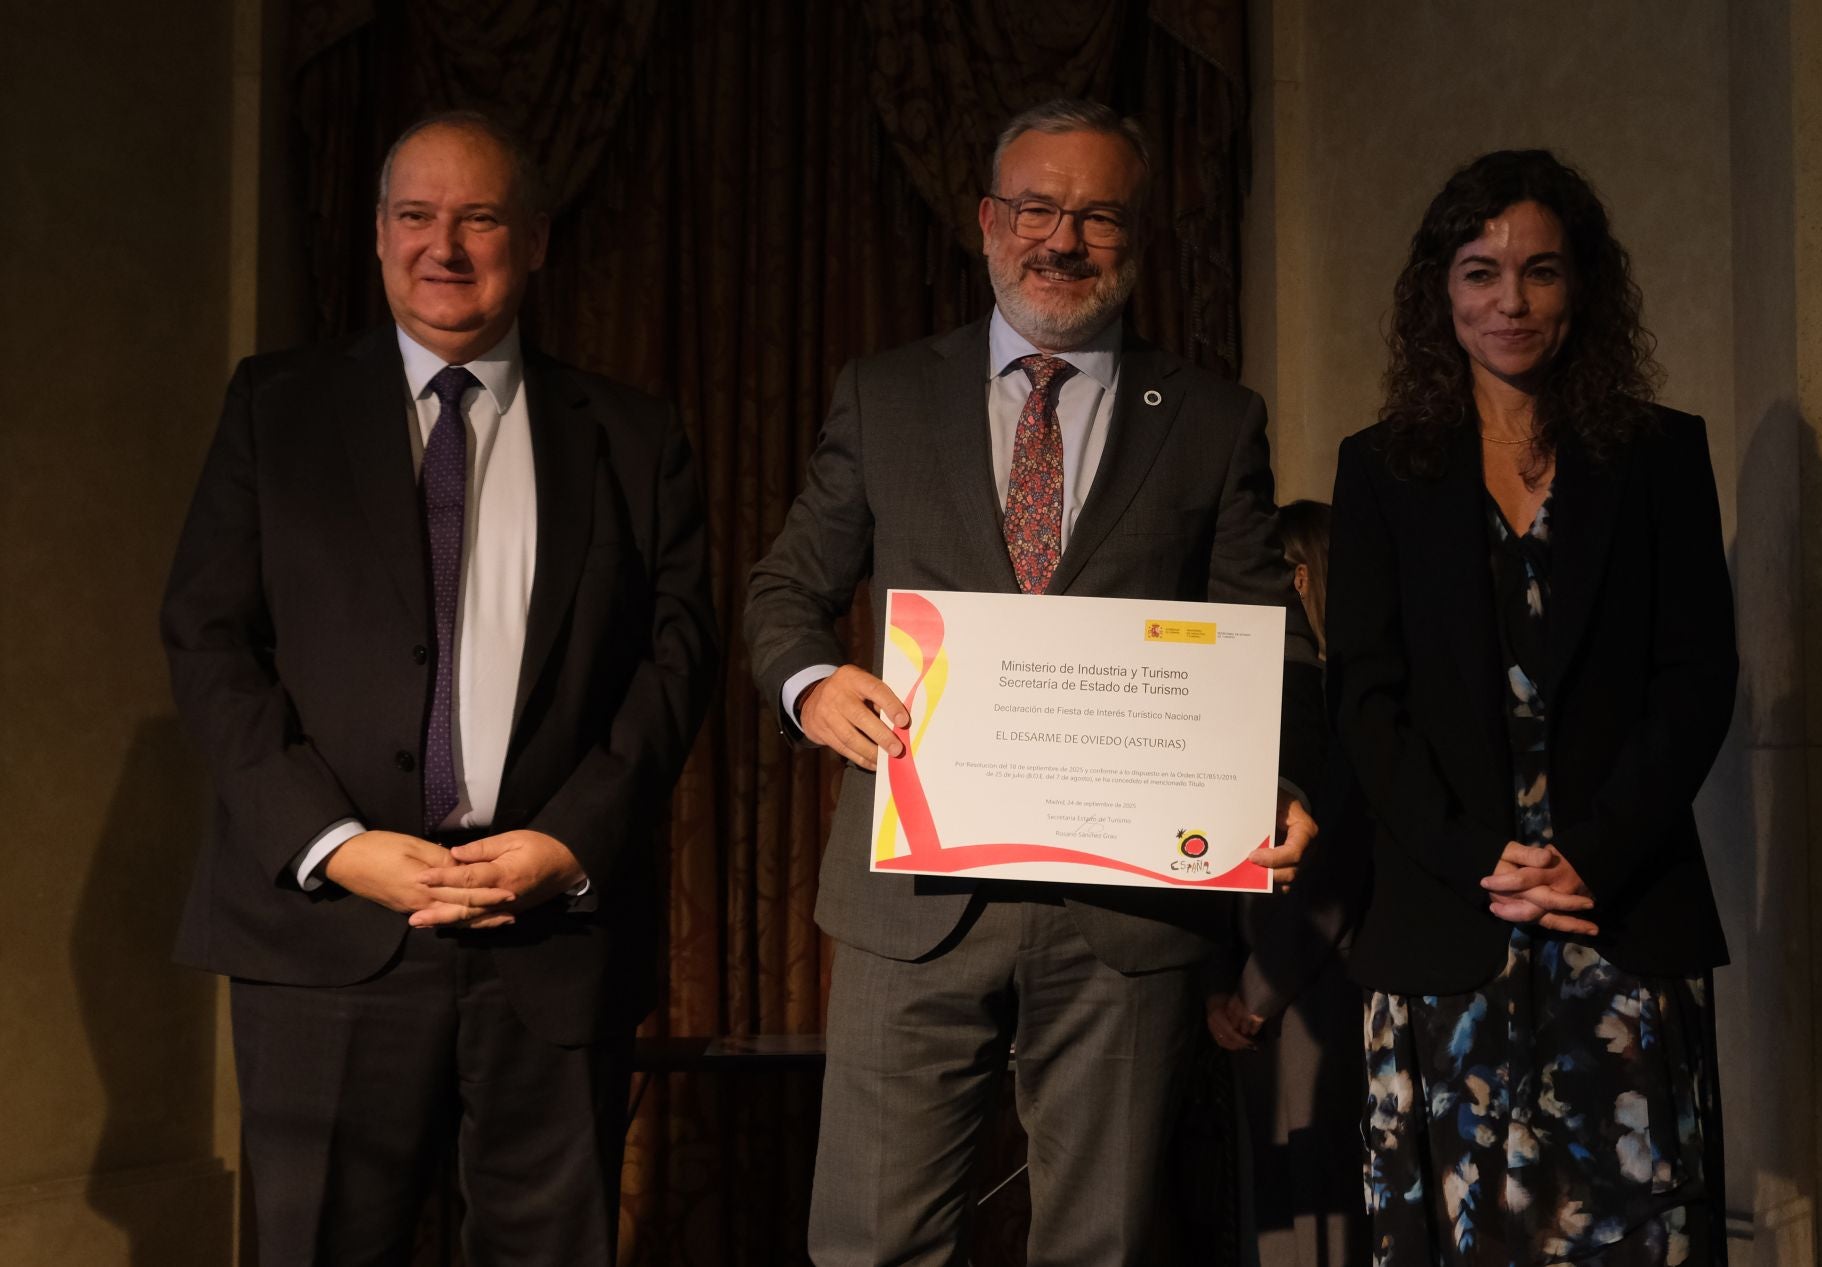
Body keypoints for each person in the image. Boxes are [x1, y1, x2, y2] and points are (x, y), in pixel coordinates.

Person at [742, 99, 1317, 1265]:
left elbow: (1275, 639)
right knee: (871, 1243)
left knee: (1097, 1246)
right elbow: (781, 592)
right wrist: (812, 683)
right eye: (1038, 209)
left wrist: (1278, 776)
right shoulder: (886, 393)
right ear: (989, 221)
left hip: (1128, 908)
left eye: (1097, 214)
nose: (1062, 240)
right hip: (915, 902)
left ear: (1138, 236)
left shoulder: (1211, 420)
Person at [161, 111, 718, 1264]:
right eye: (416, 216)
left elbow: (680, 657)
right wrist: (332, 840)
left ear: (537, 240)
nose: (444, 246)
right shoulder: (276, 408)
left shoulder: (630, 433)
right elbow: (209, 637)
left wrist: (570, 841)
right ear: (376, 236)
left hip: (550, 938)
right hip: (325, 931)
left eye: (479, 218)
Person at [1327, 149, 1735, 1264]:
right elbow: (1364, 698)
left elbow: (1697, 681)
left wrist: (1585, 853)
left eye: (1541, 273)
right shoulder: (1380, 470)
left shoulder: (1660, 455)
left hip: (1616, 917)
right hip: (1446, 919)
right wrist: (1481, 861)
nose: (1510, 302)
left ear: (1581, 288)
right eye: (1480, 272)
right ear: (1439, 293)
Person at [1205, 499, 1369, 1267]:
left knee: (1316, 1207)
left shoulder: (1343, 705)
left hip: (1312, 992)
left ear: (1297, 579)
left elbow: (1334, 869)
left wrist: (1253, 992)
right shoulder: (1248, 706)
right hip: (1251, 993)